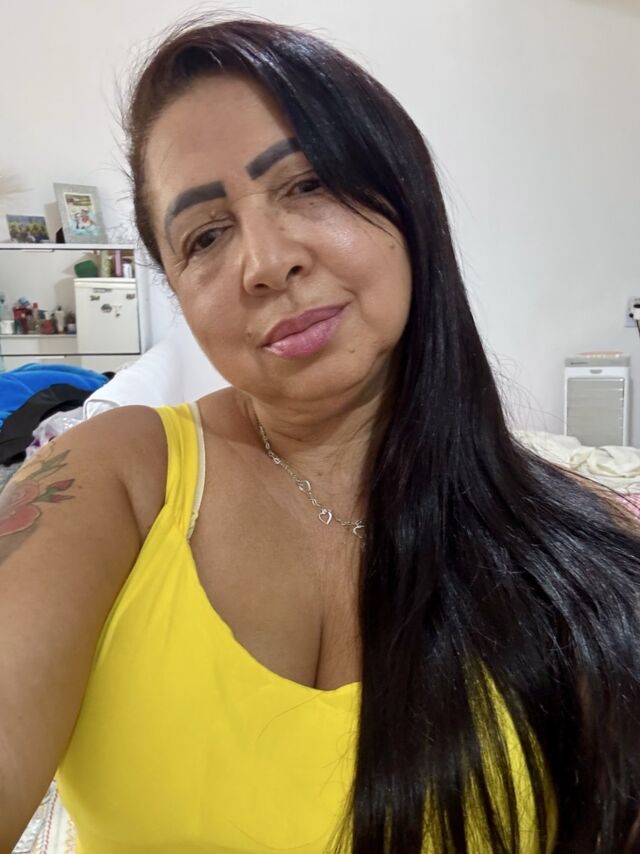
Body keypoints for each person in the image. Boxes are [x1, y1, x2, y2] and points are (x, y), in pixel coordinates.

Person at [1, 16, 639, 854]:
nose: (266, 263)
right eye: (206, 236)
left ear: (405, 198)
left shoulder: (585, 560)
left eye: (306, 185)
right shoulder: (109, 478)